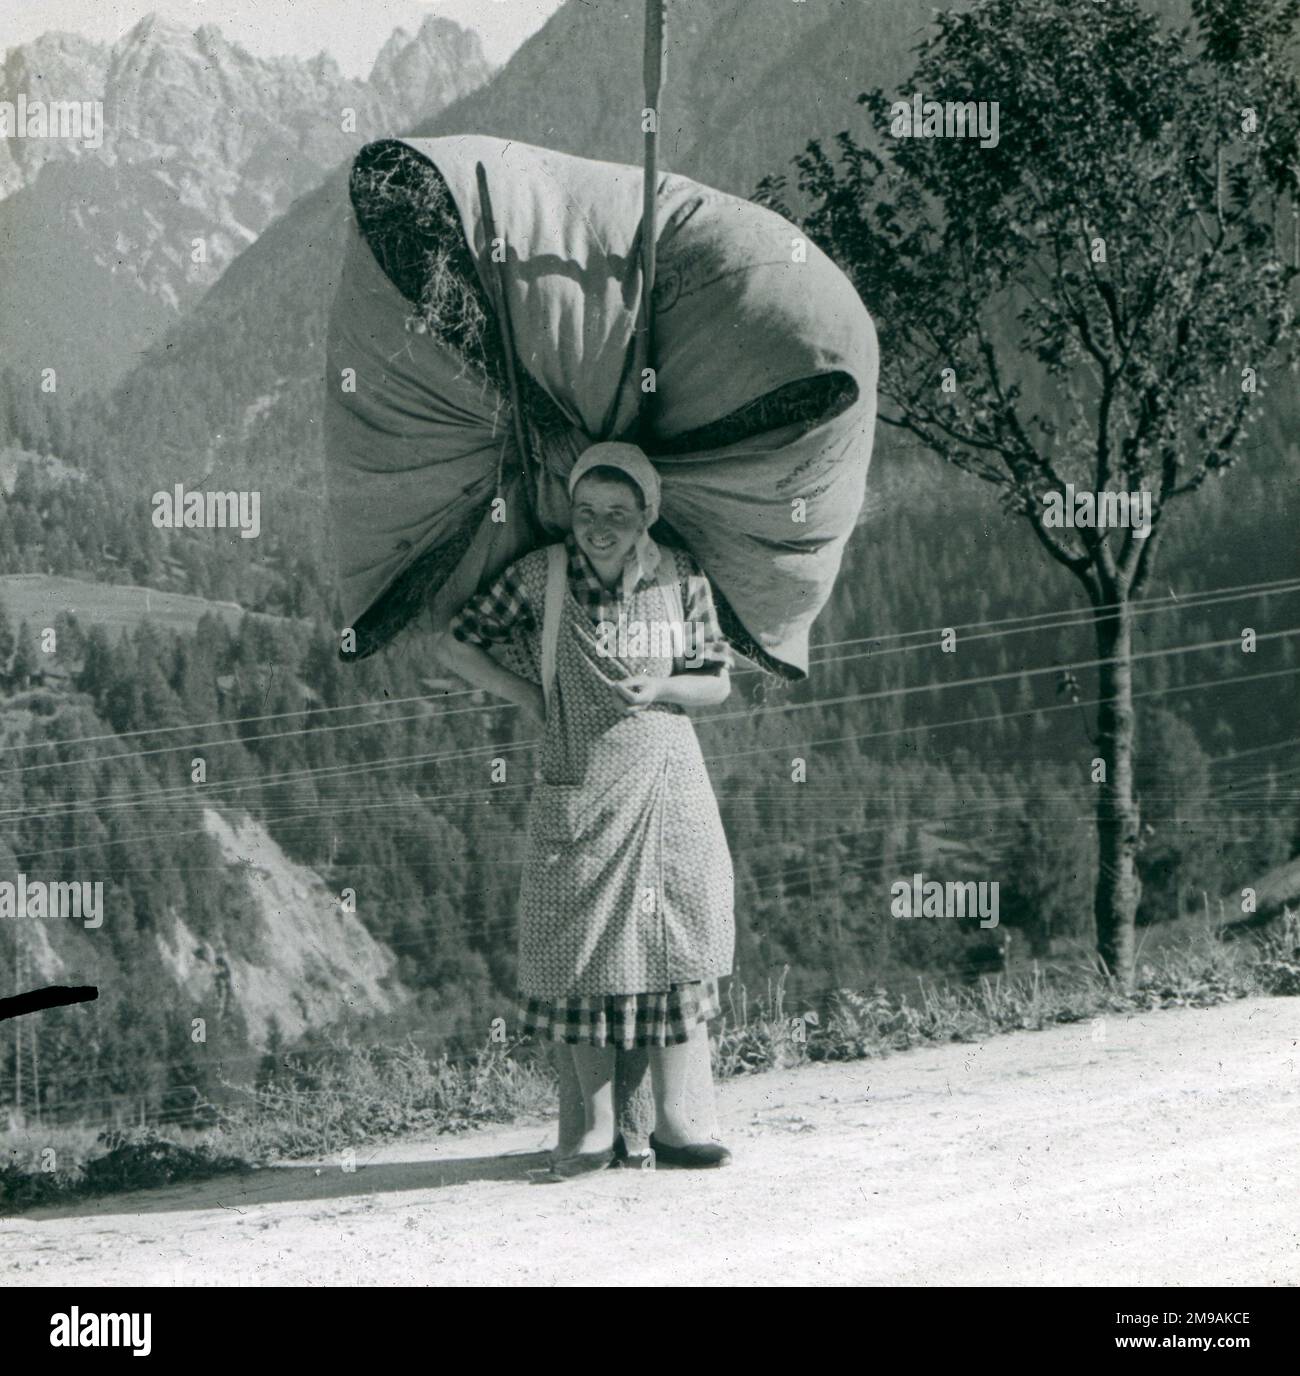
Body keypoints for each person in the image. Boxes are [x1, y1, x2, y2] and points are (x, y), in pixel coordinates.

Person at [433, 442, 736, 1176]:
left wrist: (661, 688)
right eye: (587, 511)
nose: (600, 526)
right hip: (578, 777)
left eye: (618, 513)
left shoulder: (680, 577)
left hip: (669, 783)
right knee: (578, 951)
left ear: (646, 515)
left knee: (678, 948)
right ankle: (596, 1130)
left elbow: (717, 680)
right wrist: (530, 695)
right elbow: (455, 643)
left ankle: (675, 1124)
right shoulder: (545, 576)